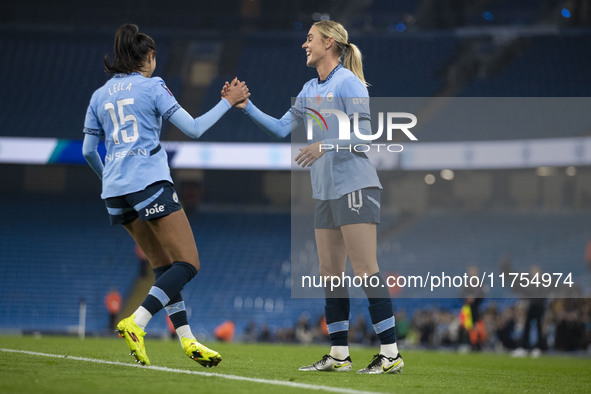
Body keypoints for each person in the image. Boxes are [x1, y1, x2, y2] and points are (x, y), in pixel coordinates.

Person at [223, 20, 403, 374]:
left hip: (355, 185)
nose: (304, 44)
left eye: (310, 39)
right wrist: (246, 106)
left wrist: (325, 144)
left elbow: (367, 135)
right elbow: (278, 127)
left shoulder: (349, 83)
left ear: (331, 43)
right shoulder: (309, 89)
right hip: (325, 192)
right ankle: (339, 355)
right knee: (330, 274)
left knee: (366, 270)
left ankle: (391, 354)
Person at [82, 23, 249, 366]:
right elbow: (194, 128)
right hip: (149, 182)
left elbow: (87, 151)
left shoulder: (99, 95)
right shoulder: (152, 86)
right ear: (149, 58)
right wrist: (227, 102)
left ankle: (188, 341)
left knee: (163, 268)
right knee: (188, 263)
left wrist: (111, 178)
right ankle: (137, 322)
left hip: (115, 192)